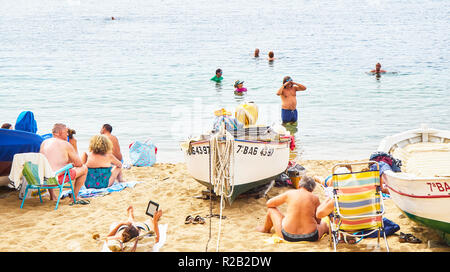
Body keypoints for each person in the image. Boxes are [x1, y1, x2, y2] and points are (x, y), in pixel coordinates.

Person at [256, 176, 329, 242]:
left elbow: (269, 203)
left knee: (271, 210)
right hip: (311, 236)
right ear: (312, 189)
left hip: (288, 236)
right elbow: (318, 220)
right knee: (325, 225)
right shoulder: (315, 198)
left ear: (298, 185)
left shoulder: (290, 193)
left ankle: (265, 229)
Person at [39, 123, 88, 205]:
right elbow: (79, 164)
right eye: (66, 132)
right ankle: (74, 197)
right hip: (56, 180)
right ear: (60, 132)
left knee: (50, 168)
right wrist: (70, 163)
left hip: (43, 179)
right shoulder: (65, 144)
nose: (68, 134)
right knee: (84, 169)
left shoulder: (44, 142)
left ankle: (52, 195)